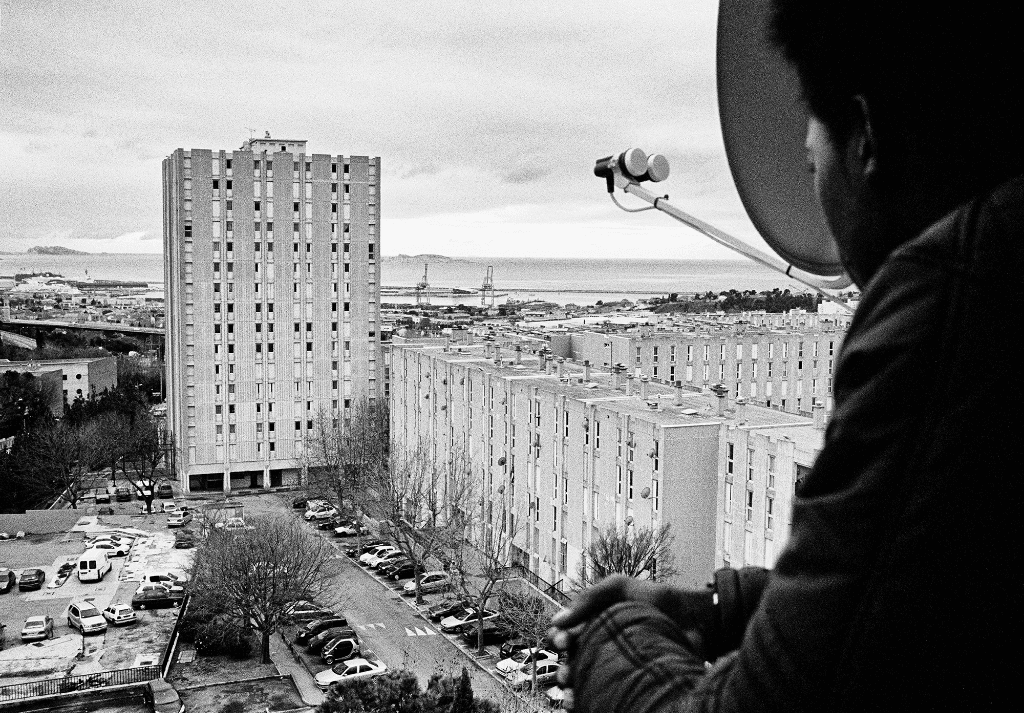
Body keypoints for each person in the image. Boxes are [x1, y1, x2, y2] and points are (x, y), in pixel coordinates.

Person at [548, 2, 1023, 711]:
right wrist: (713, 609)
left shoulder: (959, 305)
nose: (813, 189)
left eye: (810, 160)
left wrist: (613, 634)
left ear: (868, 137)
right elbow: (904, 604)